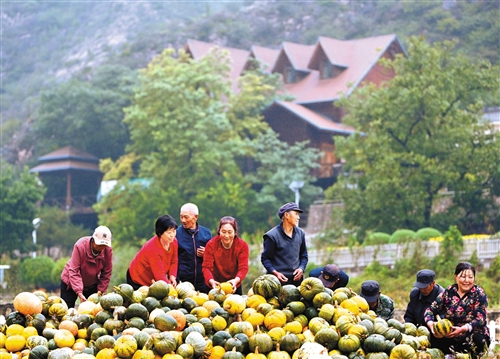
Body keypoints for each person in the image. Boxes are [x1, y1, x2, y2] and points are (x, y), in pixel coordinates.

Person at [424, 262, 490, 358]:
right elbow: (430, 310)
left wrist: (463, 329)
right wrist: (431, 325)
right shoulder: (449, 292)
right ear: (456, 276)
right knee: (434, 341)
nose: (467, 280)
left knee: (477, 340)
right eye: (463, 277)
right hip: (451, 336)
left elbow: (480, 319)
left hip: (473, 336)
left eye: (470, 277)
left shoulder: (479, 294)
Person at [60, 226, 113, 308]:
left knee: (92, 312)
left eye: (104, 245)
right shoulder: (80, 246)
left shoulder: (108, 251)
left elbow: (106, 273)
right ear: (93, 239)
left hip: (91, 283)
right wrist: (79, 291)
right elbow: (74, 270)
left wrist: (100, 291)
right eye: (100, 244)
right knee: (66, 310)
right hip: (70, 282)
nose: (102, 247)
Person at [261, 202, 308, 286]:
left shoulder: (301, 233)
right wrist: (275, 273)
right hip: (277, 282)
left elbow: (304, 255)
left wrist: (301, 268)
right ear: (286, 215)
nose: (298, 218)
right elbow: (265, 259)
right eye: (296, 214)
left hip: (296, 281)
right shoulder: (271, 236)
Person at [127, 215, 179, 290]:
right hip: (138, 278)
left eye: (174, 231)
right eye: (169, 232)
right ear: (160, 233)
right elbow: (159, 276)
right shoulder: (153, 248)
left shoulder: (174, 242)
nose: (172, 235)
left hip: (154, 280)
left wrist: (172, 276)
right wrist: (171, 289)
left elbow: (174, 261)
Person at [202, 216, 249, 295]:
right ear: (219, 231)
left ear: (235, 232)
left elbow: (243, 267)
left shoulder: (242, 246)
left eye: (230, 232)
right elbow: (206, 267)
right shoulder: (211, 245)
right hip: (214, 285)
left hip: (233, 285)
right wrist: (211, 281)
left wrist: (236, 280)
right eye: (223, 232)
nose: (226, 236)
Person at [176, 203, 212, 292]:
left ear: (196, 217)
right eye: (181, 217)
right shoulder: (176, 234)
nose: (183, 220)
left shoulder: (206, 233)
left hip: (203, 283)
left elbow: (214, 257)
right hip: (182, 284)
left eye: (186, 217)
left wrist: (207, 254)